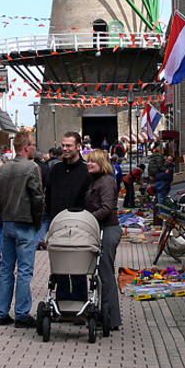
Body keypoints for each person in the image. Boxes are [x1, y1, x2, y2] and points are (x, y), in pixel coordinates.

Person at [0, 129, 44, 328]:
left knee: (6, 270)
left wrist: (4, 213)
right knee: (24, 271)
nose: (34, 148)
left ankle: (1, 312)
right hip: (25, 223)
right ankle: (22, 313)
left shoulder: (3, 168)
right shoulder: (30, 167)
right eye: (33, 145)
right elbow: (37, 197)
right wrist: (37, 221)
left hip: (8, 223)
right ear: (26, 146)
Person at [45, 131, 91, 302]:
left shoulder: (86, 170)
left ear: (78, 147)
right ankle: (63, 304)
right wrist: (49, 214)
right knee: (60, 267)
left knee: (78, 267)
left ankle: (79, 304)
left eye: (69, 146)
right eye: (63, 145)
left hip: (79, 224)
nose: (65, 149)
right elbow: (48, 193)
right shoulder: (56, 169)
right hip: (58, 223)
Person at [85, 149, 122, 330]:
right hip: (101, 229)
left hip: (108, 229)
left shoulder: (106, 181)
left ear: (102, 163)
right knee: (100, 273)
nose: (89, 164)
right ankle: (104, 312)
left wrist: (88, 219)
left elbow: (107, 207)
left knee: (105, 273)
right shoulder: (97, 181)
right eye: (88, 161)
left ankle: (111, 317)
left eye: (92, 161)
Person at [34, 150, 50, 249]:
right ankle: (40, 238)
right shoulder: (46, 168)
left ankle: (36, 239)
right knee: (44, 219)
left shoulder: (31, 166)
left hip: (32, 195)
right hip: (42, 194)